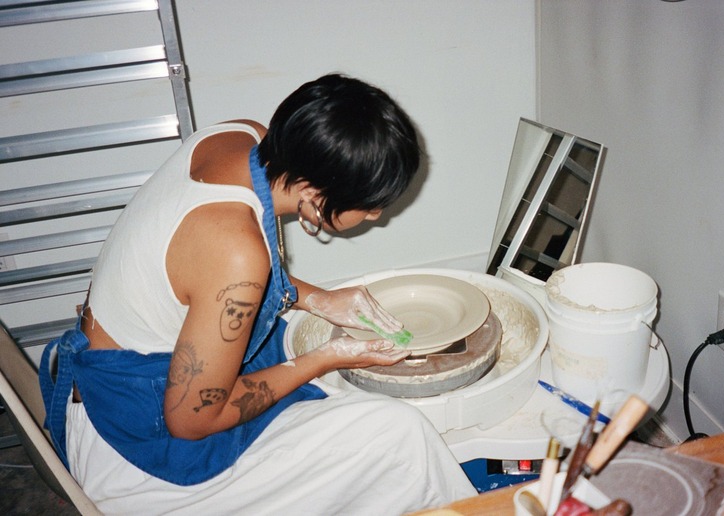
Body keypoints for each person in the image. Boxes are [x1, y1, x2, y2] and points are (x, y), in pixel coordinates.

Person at [39, 74, 477, 514]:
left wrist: (320, 299)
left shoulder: (241, 136)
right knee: (399, 436)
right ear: (311, 193)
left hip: (114, 385)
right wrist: (326, 357)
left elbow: (203, 275)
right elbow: (193, 421)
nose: (378, 213)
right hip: (135, 450)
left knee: (331, 386)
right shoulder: (236, 252)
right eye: (370, 204)